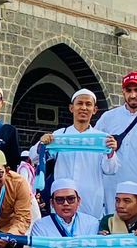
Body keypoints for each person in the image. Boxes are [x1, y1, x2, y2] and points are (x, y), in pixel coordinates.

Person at [38, 89, 119, 223]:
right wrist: (43, 142)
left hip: (91, 200)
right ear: (71, 108)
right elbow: (35, 157)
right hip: (63, 199)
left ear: (94, 110)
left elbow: (110, 170)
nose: (84, 108)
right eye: (79, 103)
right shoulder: (59, 135)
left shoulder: (102, 138)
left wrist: (110, 152)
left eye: (88, 104)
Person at [94, 72, 137, 214]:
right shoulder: (108, 118)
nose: (133, 95)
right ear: (123, 92)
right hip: (112, 187)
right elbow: (95, 148)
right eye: (129, 90)